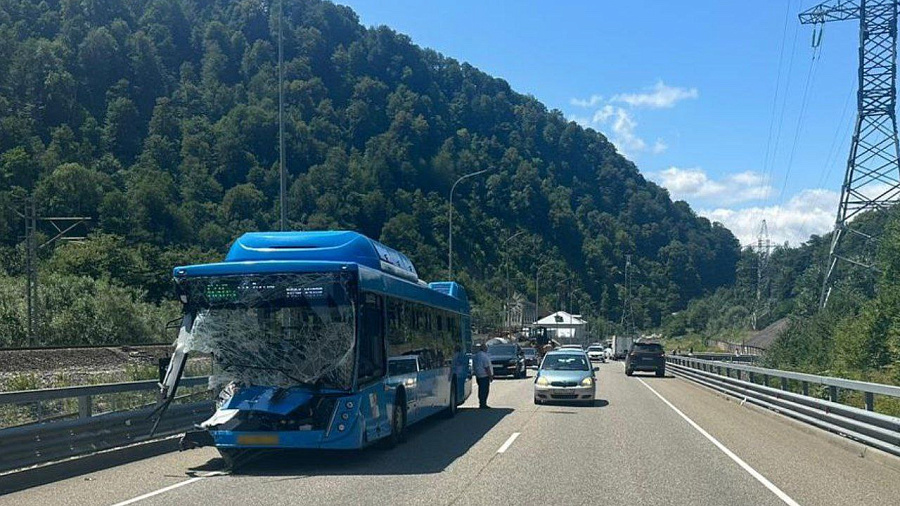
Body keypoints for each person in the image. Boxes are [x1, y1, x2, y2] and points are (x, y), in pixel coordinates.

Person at [472, 343, 494, 409]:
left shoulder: (476, 355)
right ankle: (483, 404)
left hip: (478, 375)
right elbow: (487, 367)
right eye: (486, 348)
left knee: (480, 390)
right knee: (485, 390)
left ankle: (481, 403)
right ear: (484, 348)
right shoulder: (484, 356)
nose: (487, 349)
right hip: (484, 375)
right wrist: (490, 376)